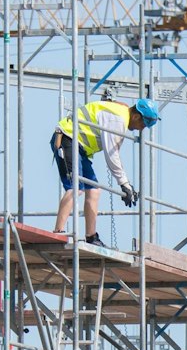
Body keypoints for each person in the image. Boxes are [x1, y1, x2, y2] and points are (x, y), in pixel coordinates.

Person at [52, 96, 160, 246]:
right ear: (135, 116)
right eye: (144, 123)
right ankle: (58, 232)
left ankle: (91, 237)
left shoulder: (121, 113)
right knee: (75, 187)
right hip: (67, 138)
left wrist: (125, 184)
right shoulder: (118, 121)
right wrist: (124, 184)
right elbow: (112, 154)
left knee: (94, 190)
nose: (142, 128)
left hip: (79, 147)